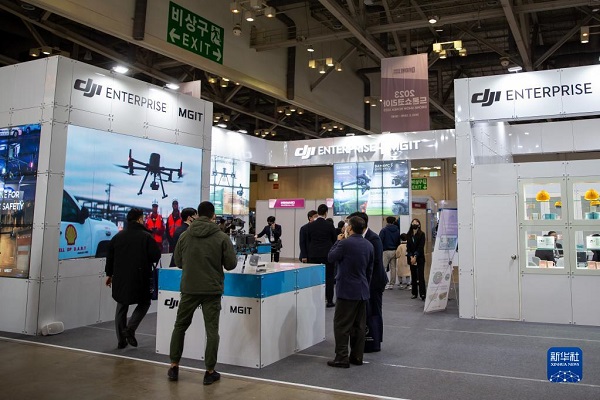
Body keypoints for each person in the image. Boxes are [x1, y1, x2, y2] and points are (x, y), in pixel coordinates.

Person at [167, 201, 237, 385]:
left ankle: (174, 366)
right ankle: (209, 371)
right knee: (212, 330)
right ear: (213, 215)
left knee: (180, 326)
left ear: (197, 215)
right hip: (211, 289)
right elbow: (231, 264)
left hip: (189, 288)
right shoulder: (221, 237)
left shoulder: (185, 235)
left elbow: (178, 262)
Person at [105, 208, 161, 349]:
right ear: (139, 219)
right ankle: (130, 329)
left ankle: (121, 340)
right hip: (140, 277)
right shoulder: (146, 236)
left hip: (120, 277)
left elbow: (110, 257)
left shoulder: (117, 237)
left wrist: (109, 274)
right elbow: (155, 256)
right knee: (145, 302)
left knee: (121, 304)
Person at [326, 216, 373, 368]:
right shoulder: (369, 245)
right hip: (362, 290)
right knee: (359, 326)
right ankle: (357, 356)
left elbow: (331, 257)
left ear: (350, 228)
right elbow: (369, 270)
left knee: (341, 325)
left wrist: (337, 241)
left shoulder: (344, 243)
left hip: (346, 290)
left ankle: (341, 357)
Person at [348, 212, 387, 353]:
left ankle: (376, 340)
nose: (347, 227)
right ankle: (364, 339)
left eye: (349, 224)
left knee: (375, 311)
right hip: (364, 281)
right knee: (364, 312)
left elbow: (375, 263)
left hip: (375, 282)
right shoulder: (355, 238)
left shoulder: (373, 238)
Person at [306, 204, 338, 307]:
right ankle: (329, 300)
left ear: (318, 212)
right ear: (326, 213)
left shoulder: (310, 225)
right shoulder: (329, 225)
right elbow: (334, 239)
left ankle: (315, 300)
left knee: (314, 278)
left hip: (313, 254)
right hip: (327, 254)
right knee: (329, 277)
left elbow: (308, 240)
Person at [406, 218, 426, 301]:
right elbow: (408, 248)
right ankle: (414, 293)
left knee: (420, 276)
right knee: (413, 276)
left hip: (420, 258)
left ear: (419, 224)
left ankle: (422, 293)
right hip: (411, 258)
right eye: (413, 222)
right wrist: (411, 257)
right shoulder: (408, 234)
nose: (414, 223)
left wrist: (415, 256)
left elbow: (421, 247)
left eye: (416, 222)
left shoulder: (422, 234)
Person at [380, 216, 401, 289]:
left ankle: (384, 282)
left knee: (383, 268)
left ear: (387, 221)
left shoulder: (384, 230)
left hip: (386, 251)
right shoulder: (397, 230)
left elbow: (380, 240)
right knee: (393, 268)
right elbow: (398, 241)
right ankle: (392, 284)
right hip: (394, 250)